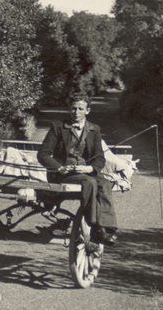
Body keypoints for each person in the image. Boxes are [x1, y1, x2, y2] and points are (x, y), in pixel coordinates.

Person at [37, 93, 118, 245]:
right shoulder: (58, 127)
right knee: (89, 183)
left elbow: (100, 158)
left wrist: (89, 168)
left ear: (87, 111)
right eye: (73, 108)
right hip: (63, 174)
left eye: (80, 109)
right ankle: (94, 226)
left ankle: (108, 227)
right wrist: (59, 168)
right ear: (70, 109)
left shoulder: (94, 129)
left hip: (85, 171)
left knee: (105, 183)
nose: (76, 112)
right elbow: (43, 154)